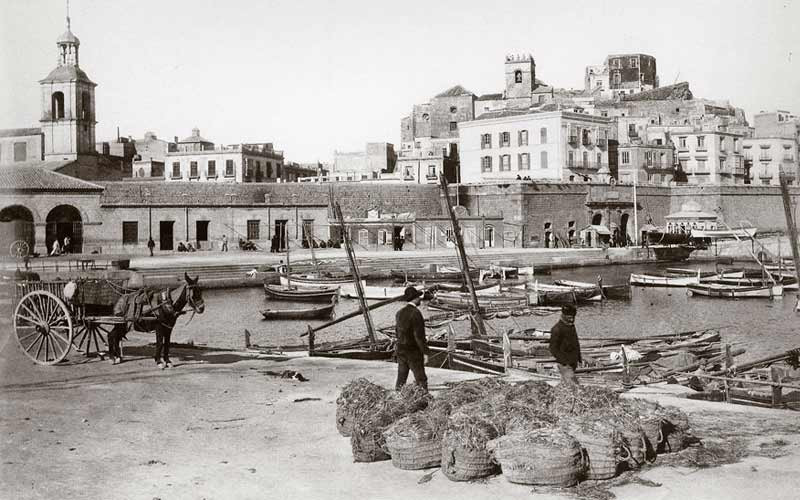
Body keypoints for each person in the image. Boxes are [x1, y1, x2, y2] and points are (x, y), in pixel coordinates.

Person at [394, 286, 429, 392]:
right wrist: (425, 352)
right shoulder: (416, 313)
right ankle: (424, 399)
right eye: (419, 297)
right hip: (413, 351)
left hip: (401, 349)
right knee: (421, 379)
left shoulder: (399, 313)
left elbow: (397, 332)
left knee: (401, 378)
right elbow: (419, 336)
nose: (420, 299)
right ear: (416, 298)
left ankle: (398, 398)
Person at [548, 304, 581, 385]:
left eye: (573, 318)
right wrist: (564, 362)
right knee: (574, 385)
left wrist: (579, 358)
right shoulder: (557, 329)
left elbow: (576, 343)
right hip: (565, 363)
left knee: (567, 384)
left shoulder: (571, 327)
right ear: (564, 316)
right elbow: (553, 348)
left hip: (573, 362)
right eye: (569, 318)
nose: (572, 320)